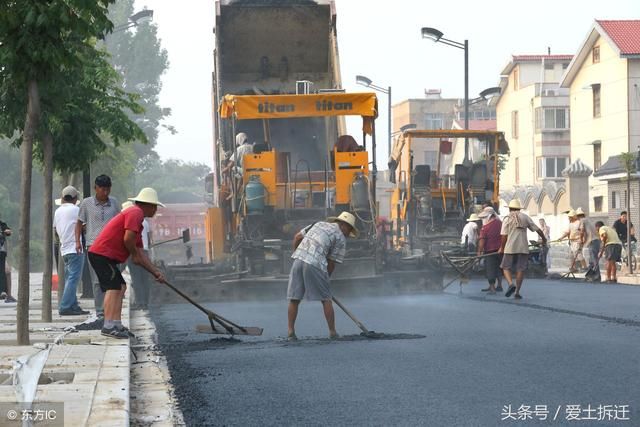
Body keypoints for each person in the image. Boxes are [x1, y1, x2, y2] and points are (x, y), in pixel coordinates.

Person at [88, 188, 166, 338]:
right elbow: (127, 239)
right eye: (154, 206)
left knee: (121, 286)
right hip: (101, 254)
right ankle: (108, 325)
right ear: (147, 205)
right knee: (114, 287)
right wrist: (135, 254)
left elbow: (141, 254)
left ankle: (116, 323)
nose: (156, 210)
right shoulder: (135, 212)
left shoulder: (139, 221)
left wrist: (155, 272)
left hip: (106, 256)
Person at [287, 211, 359, 341]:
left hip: (298, 260)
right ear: (344, 225)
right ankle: (332, 332)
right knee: (326, 298)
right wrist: (326, 279)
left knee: (294, 298)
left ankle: (291, 332)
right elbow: (331, 263)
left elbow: (297, 237)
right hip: (315, 263)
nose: (348, 234)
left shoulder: (318, 224)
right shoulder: (340, 238)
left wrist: (297, 254)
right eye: (349, 230)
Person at [75, 175, 121, 327]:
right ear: (96, 188)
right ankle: (101, 313)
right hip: (93, 246)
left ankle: (111, 314)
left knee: (113, 281)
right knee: (97, 281)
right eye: (102, 189)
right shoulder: (86, 203)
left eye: (108, 189)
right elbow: (79, 223)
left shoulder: (114, 203)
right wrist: (77, 241)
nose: (105, 192)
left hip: (112, 247)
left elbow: (120, 223)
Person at [499, 199, 547, 299]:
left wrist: (501, 248)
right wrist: (544, 239)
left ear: (510, 209)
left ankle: (511, 284)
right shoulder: (525, 217)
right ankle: (517, 292)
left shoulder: (507, 218)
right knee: (520, 269)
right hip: (523, 247)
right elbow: (537, 229)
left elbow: (504, 236)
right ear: (518, 209)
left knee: (505, 267)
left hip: (510, 247)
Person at [53, 186, 90, 315]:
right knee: (74, 278)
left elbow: (55, 231)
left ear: (63, 198)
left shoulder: (57, 212)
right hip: (76, 247)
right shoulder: (76, 210)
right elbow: (84, 226)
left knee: (70, 278)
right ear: (75, 198)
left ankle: (73, 305)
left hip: (64, 249)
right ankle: (65, 306)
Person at [122, 201, 152, 310]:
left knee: (136, 278)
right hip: (145, 252)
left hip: (134, 252)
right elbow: (149, 239)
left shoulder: (130, 220)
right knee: (144, 278)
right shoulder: (145, 222)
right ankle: (145, 302)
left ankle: (140, 302)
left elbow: (128, 239)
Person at [477, 206, 503, 294]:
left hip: (490, 251)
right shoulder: (500, 223)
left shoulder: (485, 227)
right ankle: (499, 285)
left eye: (484, 217)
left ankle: (492, 288)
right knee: (499, 268)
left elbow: (481, 241)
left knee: (490, 269)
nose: (483, 219)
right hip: (500, 250)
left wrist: (479, 252)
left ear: (489, 216)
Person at [576, 207, 600, 281]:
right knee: (591, 259)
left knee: (594, 258)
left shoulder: (582, 220)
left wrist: (580, 240)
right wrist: (583, 242)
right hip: (595, 241)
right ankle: (591, 276)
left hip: (593, 241)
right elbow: (586, 233)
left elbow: (582, 231)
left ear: (578, 216)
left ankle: (596, 276)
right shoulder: (588, 220)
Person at [0, 216, 16, 303]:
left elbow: (8, 231)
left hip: (2, 253)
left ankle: (7, 294)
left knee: (7, 271)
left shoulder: (2, 224)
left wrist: (7, 231)